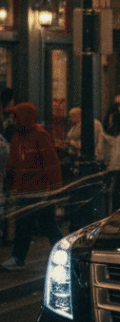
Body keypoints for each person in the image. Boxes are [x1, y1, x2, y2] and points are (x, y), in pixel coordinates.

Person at [1, 103, 64, 272]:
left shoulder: (40, 135)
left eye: (16, 117)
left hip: (40, 190)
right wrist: (10, 181)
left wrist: (54, 189)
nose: (13, 120)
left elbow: (51, 163)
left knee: (48, 225)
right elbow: (13, 162)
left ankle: (64, 256)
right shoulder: (17, 136)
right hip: (25, 190)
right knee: (24, 226)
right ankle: (18, 258)